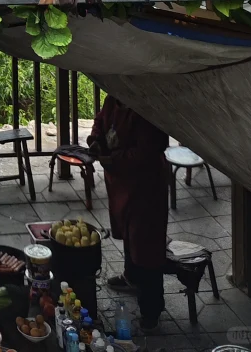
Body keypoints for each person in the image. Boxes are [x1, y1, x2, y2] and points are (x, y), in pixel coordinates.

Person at [88, 94, 169, 331]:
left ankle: (151, 309)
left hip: (146, 187)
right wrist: (95, 140)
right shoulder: (113, 99)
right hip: (122, 183)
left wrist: (112, 158)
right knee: (128, 232)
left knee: (146, 245)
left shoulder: (146, 110)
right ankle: (131, 276)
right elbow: (101, 121)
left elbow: (147, 151)